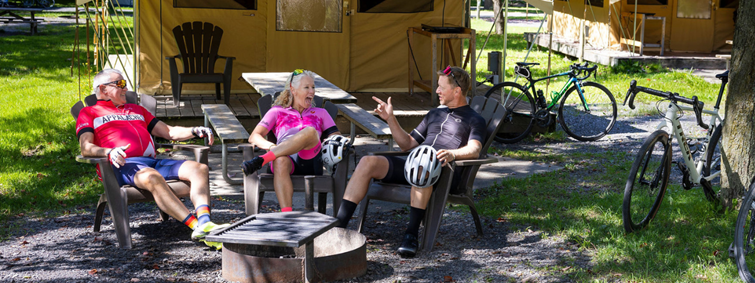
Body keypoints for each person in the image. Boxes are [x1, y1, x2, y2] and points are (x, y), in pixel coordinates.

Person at [333, 66, 486, 258]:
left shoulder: (474, 119)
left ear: (457, 91)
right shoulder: (434, 114)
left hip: (443, 172)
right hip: (415, 163)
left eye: (441, 87)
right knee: (367, 161)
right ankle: (338, 227)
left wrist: (452, 155)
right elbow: (407, 144)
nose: (437, 91)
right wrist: (390, 119)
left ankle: (411, 234)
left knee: (424, 165)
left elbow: (475, 149)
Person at [76, 69, 228, 249]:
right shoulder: (89, 113)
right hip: (123, 165)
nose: (125, 88)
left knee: (199, 169)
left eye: (125, 84)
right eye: (120, 84)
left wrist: (194, 131)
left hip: (152, 162)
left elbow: (169, 131)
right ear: (103, 89)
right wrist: (108, 152)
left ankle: (205, 223)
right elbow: (86, 148)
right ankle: (197, 228)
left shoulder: (137, 109)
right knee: (152, 177)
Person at [241, 69, 342, 212]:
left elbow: (336, 137)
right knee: (280, 160)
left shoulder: (321, 113)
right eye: (306, 87)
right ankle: (287, 215)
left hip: (311, 160)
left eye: (313, 87)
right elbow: (254, 136)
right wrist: (272, 147)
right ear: (293, 90)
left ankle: (262, 160)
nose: (311, 92)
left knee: (310, 132)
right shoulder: (277, 112)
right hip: (284, 159)